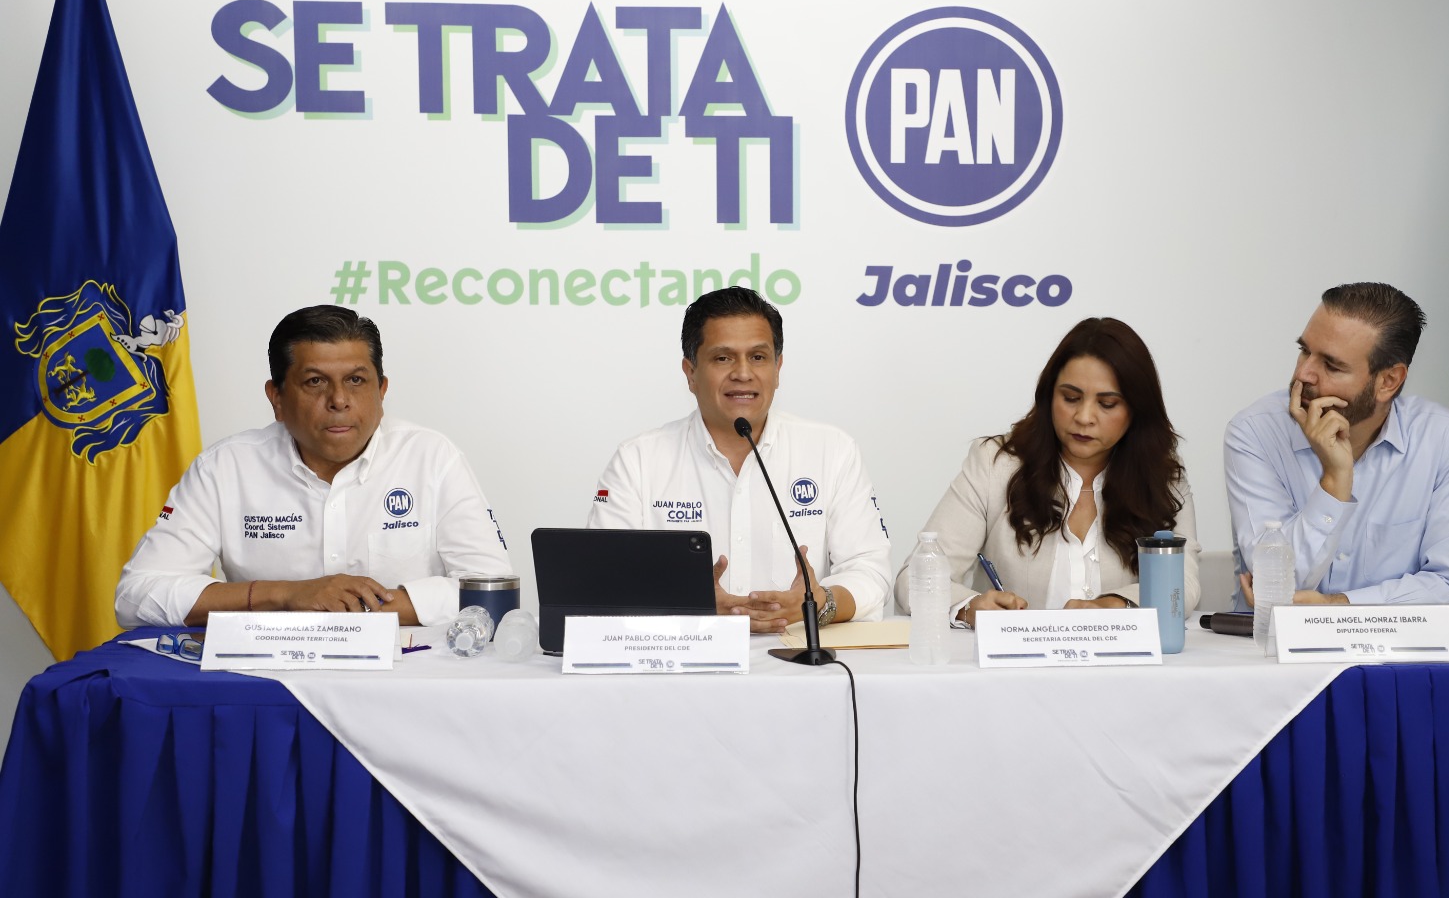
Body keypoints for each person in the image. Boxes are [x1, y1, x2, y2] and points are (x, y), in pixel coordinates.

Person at [115, 305, 512, 628]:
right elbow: (136, 597)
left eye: (356, 380)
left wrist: (350, 608)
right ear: (276, 397)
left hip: (406, 678)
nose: (339, 400)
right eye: (315, 382)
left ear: (382, 391)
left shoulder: (432, 457)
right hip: (268, 681)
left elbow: (495, 593)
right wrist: (286, 595)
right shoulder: (225, 467)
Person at [587, 287, 891, 632]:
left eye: (758, 357)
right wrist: (688, 603)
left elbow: (870, 571)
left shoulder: (831, 450)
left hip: (798, 656)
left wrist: (819, 603)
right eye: (723, 358)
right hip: (682, 656)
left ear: (778, 368)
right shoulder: (637, 460)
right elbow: (602, 580)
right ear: (690, 373)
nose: (743, 373)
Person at [894, 317, 1200, 626]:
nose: (1084, 417)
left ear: (1137, 410)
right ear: (1049, 395)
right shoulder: (995, 464)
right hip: (1016, 656)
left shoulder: (1161, 476)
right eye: (1070, 398)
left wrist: (1116, 605)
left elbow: (1183, 586)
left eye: (1107, 404)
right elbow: (913, 581)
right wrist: (969, 607)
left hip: (1126, 656)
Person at [1224, 282, 1449, 611]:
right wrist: (1335, 482)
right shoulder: (1255, 432)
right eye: (1304, 350)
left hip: (1393, 644)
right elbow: (1275, 586)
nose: (1304, 373)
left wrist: (1339, 605)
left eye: (1331, 366)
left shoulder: (1444, 440)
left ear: (1388, 381)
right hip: (1269, 641)